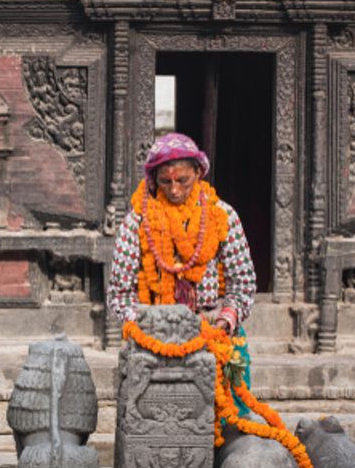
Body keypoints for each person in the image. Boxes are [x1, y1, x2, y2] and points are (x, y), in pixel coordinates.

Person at [107, 132, 257, 412]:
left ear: (198, 173)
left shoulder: (222, 215)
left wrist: (225, 321)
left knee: (230, 417)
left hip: (213, 329)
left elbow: (243, 283)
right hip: (154, 332)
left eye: (182, 180)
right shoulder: (136, 222)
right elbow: (120, 293)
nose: (174, 190)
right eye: (166, 182)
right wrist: (145, 327)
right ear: (153, 180)